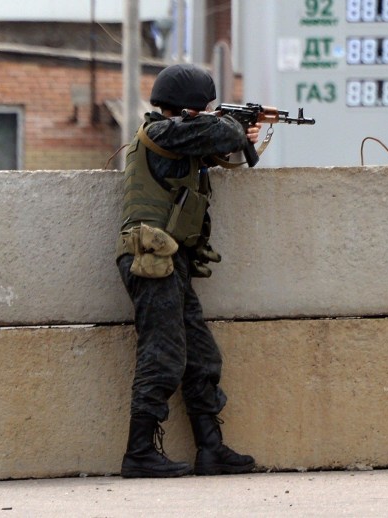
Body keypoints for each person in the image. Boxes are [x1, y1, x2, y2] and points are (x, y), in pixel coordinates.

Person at [115, 63, 260, 478]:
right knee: (163, 355)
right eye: (204, 109)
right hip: (149, 256)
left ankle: (211, 449)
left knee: (199, 355)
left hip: (168, 257)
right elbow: (224, 134)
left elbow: (222, 144)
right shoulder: (161, 132)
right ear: (188, 110)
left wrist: (240, 133)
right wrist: (235, 125)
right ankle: (139, 453)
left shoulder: (180, 138)